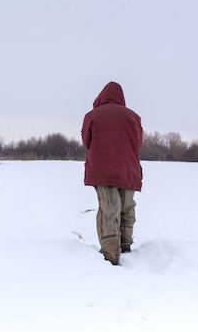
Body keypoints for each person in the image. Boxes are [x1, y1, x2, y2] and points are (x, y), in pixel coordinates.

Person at [81, 82, 144, 265]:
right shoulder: (133, 117)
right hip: (128, 169)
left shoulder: (92, 116)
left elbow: (87, 141)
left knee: (109, 209)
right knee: (127, 207)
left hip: (103, 169)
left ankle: (110, 255)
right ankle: (125, 246)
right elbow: (137, 142)